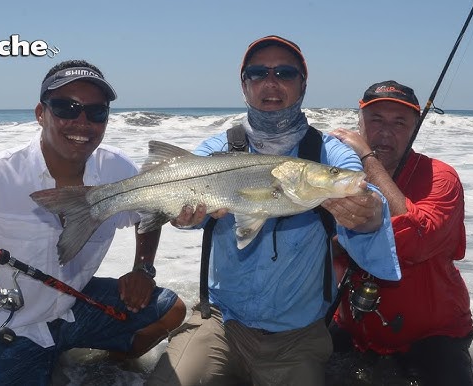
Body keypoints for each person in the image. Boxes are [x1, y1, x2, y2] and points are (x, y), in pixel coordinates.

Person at [146, 35, 400, 386]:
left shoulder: (330, 152)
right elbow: (187, 210)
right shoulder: (217, 149)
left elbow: (369, 201)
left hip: (297, 335)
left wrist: (369, 214)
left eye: (285, 72)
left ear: (303, 85)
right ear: (244, 85)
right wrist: (183, 216)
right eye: (257, 73)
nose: (271, 82)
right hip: (220, 321)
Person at [0, 59, 187, 386]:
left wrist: (142, 269)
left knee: (171, 311)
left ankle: (110, 364)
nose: (82, 122)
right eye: (66, 107)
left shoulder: (117, 168)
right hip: (13, 325)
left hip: (77, 305)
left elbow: (148, 212)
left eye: (96, 112)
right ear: (41, 113)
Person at [328, 80, 473, 385]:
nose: (385, 132)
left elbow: (415, 240)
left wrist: (368, 160)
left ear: (414, 127)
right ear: (360, 122)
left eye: (399, 122)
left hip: (433, 335)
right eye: (376, 120)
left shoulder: (441, 178)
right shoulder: (333, 173)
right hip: (355, 330)